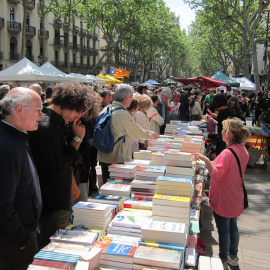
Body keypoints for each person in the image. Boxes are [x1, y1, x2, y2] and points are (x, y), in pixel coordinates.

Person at [29, 82, 94, 249]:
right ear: (69, 104)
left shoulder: (55, 123)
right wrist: (77, 140)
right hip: (52, 202)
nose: (78, 118)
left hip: (56, 198)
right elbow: (60, 166)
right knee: (54, 249)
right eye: (79, 112)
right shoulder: (47, 126)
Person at [195, 118, 250, 270]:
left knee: (224, 229)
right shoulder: (242, 149)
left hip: (224, 197)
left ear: (230, 134)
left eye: (224, 130)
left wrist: (205, 160)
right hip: (235, 195)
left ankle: (223, 259)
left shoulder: (228, 152)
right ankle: (233, 256)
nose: (221, 132)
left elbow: (217, 174)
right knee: (233, 227)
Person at [0, 87, 43, 270]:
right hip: (14, 240)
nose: (41, 116)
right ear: (19, 110)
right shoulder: (7, 146)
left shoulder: (17, 137)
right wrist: (22, 240)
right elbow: (2, 205)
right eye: (38, 110)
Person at [97, 84, 159, 183]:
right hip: (116, 157)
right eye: (131, 98)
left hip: (103, 154)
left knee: (107, 187)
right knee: (117, 188)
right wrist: (151, 134)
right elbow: (137, 132)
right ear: (126, 97)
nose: (131, 100)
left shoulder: (106, 109)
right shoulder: (123, 114)